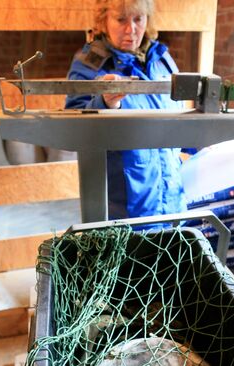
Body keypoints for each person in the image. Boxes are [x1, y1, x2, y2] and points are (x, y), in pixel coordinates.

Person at [65, 0, 188, 221]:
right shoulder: (90, 65)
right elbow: (73, 132)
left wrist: (201, 137)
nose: (131, 29)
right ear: (104, 20)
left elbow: (178, 121)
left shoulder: (162, 60)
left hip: (172, 202)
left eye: (138, 19)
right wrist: (105, 103)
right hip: (121, 210)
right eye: (121, 19)